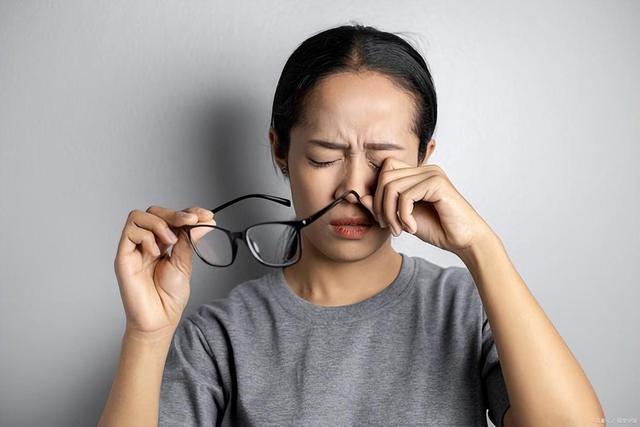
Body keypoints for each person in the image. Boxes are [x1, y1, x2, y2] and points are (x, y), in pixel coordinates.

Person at [99, 24, 605, 426]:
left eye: (383, 159)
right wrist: (147, 335)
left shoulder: (467, 308)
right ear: (280, 150)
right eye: (324, 157)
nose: (352, 189)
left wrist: (481, 247)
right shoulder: (220, 337)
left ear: (424, 158)